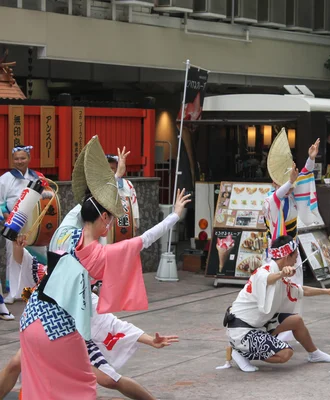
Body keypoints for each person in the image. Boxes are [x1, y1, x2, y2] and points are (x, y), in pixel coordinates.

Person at [18, 136, 191, 399]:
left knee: (42, 388)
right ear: (105, 218)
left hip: (30, 320)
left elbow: (89, 202)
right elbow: (144, 240)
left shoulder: (64, 232)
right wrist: (174, 216)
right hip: (59, 329)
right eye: (110, 216)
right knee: (83, 389)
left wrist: (116, 180)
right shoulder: (98, 256)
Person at [223, 235, 330, 373]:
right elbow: (268, 279)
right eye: (295, 256)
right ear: (287, 256)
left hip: (260, 325)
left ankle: (314, 354)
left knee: (297, 321)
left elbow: (301, 290)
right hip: (242, 330)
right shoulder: (263, 272)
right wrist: (281, 274)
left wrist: (328, 291)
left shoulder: (281, 276)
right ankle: (240, 352)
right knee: (285, 353)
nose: (296, 261)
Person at [263, 132, 322, 341]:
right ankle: (270, 330)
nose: (289, 186)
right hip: (276, 256)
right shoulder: (270, 200)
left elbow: (305, 176)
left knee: (294, 291)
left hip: (292, 254)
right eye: (284, 182)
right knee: (274, 294)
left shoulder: (293, 196)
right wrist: (288, 183)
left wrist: (311, 158)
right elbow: (280, 194)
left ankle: (288, 331)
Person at [0, 145, 50, 304]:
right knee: (13, 256)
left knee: (37, 255)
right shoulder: (5, 178)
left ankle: (36, 288)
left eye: (23, 158)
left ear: (29, 159)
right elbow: (1, 202)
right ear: (12, 160)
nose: (19, 161)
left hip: (35, 225)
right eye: (16, 159)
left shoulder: (38, 177)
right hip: (15, 223)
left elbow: (48, 197)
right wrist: (7, 216)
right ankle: (13, 292)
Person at [107, 150, 139, 231]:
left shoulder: (128, 184)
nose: (110, 171)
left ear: (117, 168)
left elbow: (133, 203)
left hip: (125, 227)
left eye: (112, 168)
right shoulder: (98, 184)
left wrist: (134, 221)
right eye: (107, 168)